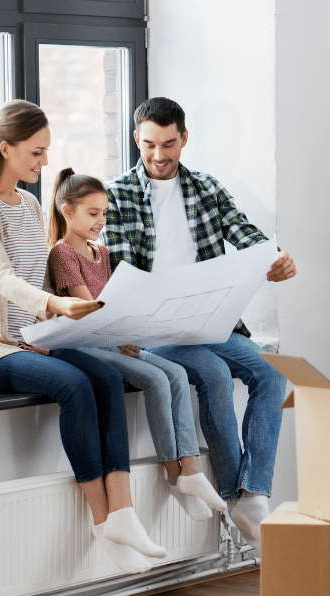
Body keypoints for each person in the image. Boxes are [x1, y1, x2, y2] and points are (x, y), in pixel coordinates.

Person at [0, 99, 165, 575]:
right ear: (6, 148)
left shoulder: (28, 202)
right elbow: (1, 278)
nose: (44, 164)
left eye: (45, 153)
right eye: (36, 153)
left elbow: (35, 279)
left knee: (103, 377)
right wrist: (56, 306)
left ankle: (123, 512)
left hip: (31, 337)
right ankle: (102, 520)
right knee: (74, 385)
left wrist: (57, 323)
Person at [103, 97, 297, 550]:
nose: (158, 155)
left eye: (169, 144)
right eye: (149, 144)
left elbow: (243, 231)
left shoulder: (206, 188)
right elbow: (119, 272)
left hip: (211, 321)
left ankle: (253, 492)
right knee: (212, 373)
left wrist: (274, 257)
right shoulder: (117, 195)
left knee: (272, 373)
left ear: (184, 139)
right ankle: (233, 493)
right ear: (137, 139)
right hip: (155, 329)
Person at [46, 168, 228, 521]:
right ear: (67, 211)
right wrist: (119, 332)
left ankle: (189, 468)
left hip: (114, 340)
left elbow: (117, 304)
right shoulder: (63, 254)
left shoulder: (101, 253)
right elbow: (90, 313)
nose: (101, 221)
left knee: (175, 373)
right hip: (89, 347)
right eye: (93, 214)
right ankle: (175, 476)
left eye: (104, 214)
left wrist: (129, 331)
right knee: (157, 379)